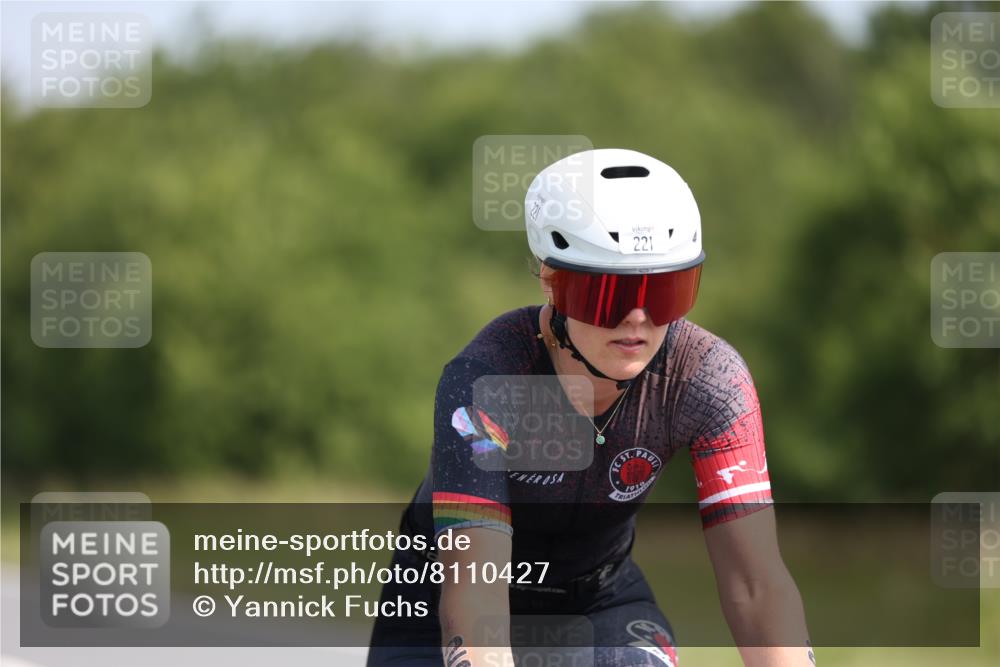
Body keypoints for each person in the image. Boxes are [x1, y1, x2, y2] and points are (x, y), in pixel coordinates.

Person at [367, 148, 814, 666]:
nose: (638, 320)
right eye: (609, 296)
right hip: (446, 598)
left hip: (599, 599)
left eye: (665, 291)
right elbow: (476, 594)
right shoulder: (487, 380)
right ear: (551, 281)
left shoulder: (708, 380)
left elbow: (757, 586)